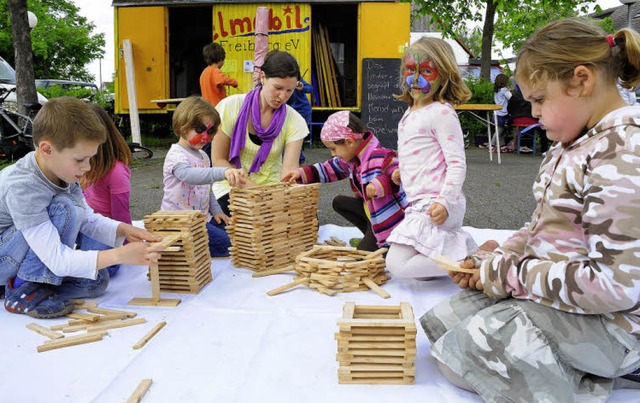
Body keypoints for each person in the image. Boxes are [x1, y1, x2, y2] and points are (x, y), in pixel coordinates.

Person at [420, 18, 640, 402]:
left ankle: (606, 374)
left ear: (581, 81)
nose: (534, 113)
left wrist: (509, 273)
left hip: (612, 322)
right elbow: (545, 226)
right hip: (561, 293)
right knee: (444, 325)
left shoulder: (621, 155)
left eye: (539, 100)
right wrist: (501, 254)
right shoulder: (571, 141)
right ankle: (569, 361)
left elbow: (615, 288)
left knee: (459, 360)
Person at [0, 97, 164, 318]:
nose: (87, 167)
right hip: (5, 259)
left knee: (96, 282)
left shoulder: (64, 172)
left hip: (27, 254)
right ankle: (22, 288)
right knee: (63, 208)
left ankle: (42, 284)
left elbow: (87, 218)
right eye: (80, 159)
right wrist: (119, 255)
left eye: (90, 158)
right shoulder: (22, 186)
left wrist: (124, 229)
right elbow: (57, 257)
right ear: (47, 148)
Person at [384, 36, 477, 279]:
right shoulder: (412, 110)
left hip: (437, 202)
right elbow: (423, 152)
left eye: (426, 71)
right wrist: (404, 170)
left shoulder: (441, 113)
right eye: (411, 70)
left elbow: (457, 163)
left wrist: (446, 201)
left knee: (396, 264)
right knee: (423, 272)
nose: (415, 79)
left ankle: (468, 257)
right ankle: (461, 252)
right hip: (421, 202)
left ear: (444, 75)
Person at [282, 111, 407, 252]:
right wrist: (301, 173)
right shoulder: (351, 159)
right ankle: (371, 233)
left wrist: (380, 184)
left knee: (361, 256)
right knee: (339, 202)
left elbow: (399, 175)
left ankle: (386, 243)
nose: (333, 153)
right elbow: (328, 168)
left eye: (333, 148)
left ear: (349, 142)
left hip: (390, 222)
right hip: (372, 214)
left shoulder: (381, 156)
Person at [210, 50, 309, 216]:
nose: (282, 96)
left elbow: (288, 173)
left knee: (307, 220)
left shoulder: (295, 120)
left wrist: (285, 199)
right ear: (263, 77)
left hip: (272, 190)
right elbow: (219, 160)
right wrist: (254, 190)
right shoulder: (230, 107)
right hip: (231, 187)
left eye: (289, 91)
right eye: (277, 88)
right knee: (240, 225)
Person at [161, 96, 245, 258]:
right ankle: (180, 246)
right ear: (182, 125)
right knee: (227, 244)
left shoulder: (203, 156)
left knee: (235, 234)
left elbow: (206, 188)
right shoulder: (176, 155)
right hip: (180, 222)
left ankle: (192, 244)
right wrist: (223, 171)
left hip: (201, 219)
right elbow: (191, 176)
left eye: (211, 131)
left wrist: (217, 211)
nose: (205, 136)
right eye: (200, 129)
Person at [80, 103, 133, 277]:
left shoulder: (115, 172)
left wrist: (127, 247)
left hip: (106, 231)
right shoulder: (77, 165)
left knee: (102, 268)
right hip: (83, 225)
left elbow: (121, 215)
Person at [507, 82, 550, 153]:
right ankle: (544, 149)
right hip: (531, 119)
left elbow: (509, 108)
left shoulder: (515, 95)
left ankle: (520, 145)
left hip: (517, 119)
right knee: (543, 128)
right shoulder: (534, 95)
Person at [199, 42, 238, 107]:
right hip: (218, 107)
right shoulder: (215, 71)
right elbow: (222, 80)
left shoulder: (204, 72)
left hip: (207, 107)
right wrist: (234, 82)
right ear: (220, 60)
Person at [287, 78, 313, 164]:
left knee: (297, 136)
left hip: (303, 111)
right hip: (291, 110)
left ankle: (300, 161)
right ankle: (297, 160)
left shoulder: (298, 80)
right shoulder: (284, 80)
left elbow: (310, 88)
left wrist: (302, 87)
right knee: (290, 136)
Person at [490, 73, 512, 150]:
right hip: (503, 113)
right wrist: (510, 91)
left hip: (496, 113)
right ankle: (492, 145)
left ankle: (502, 145)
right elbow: (511, 98)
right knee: (500, 130)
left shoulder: (496, 91)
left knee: (501, 129)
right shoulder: (504, 90)